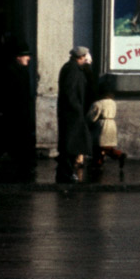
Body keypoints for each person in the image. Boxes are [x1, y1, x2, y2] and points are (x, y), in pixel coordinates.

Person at [0, 45, 38, 180]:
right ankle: (23, 165)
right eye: (25, 56)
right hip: (11, 114)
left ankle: (24, 165)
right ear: (18, 57)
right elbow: (3, 94)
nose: (28, 58)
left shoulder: (21, 71)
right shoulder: (9, 71)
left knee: (10, 141)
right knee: (6, 141)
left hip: (19, 114)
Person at [56, 46, 94, 184]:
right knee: (70, 145)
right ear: (81, 57)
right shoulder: (72, 69)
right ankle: (65, 173)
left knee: (72, 144)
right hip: (72, 113)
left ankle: (65, 172)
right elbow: (70, 92)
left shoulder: (74, 68)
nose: (87, 59)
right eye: (86, 57)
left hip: (73, 112)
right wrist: (77, 109)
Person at [88, 75, 124, 175]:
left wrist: (88, 124)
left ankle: (118, 155)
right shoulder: (112, 103)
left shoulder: (98, 103)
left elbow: (92, 117)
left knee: (100, 146)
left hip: (101, 126)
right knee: (106, 145)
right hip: (111, 124)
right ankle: (99, 162)